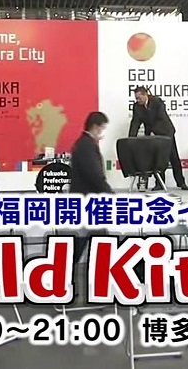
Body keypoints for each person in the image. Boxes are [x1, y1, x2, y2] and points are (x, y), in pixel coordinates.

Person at [69, 111, 115, 265]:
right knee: (97, 240)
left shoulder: (83, 143)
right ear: (95, 126)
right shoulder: (86, 146)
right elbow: (94, 175)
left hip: (86, 198)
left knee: (90, 239)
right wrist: (110, 194)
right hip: (89, 199)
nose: (102, 132)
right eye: (102, 128)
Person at [128, 87, 188, 190]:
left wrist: (153, 131)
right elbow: (135, 123)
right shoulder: (137, 107)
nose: (138, 100)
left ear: (145, 95)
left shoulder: (157, 102)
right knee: (157, 159)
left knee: (173, 158)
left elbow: (160, 117)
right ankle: (160, 183)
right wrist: (131, 138)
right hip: (152, 137)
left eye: (139, 98)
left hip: (166, 132)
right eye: (136, 98)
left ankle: (181, 182)